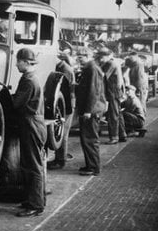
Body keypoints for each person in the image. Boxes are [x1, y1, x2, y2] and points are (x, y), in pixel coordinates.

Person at [12, 48, 47, 217]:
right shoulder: (31, 77)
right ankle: (32, 200)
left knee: (33, 166)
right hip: (33, 125)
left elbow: (17, 103)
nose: (16, 64)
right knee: (29, 165)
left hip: (31, 126)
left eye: (18, 61)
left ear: (26, 62)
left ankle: (35, 205)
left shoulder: (28, 80)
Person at [75, 47, 107, 176]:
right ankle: (90, 165)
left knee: (90, 139)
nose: (78, 59)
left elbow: (93, 91)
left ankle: (94, 167)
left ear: (88, 56)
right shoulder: (89, 68)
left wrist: (88, 110)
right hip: (90, 109)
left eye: (81, 57)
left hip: (92, 110)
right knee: (86, 138)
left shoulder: (92, 69)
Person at [48, 50, 76, 170]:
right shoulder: (63, 68)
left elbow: (67, 91)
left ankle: (60, 160)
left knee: (62, 133)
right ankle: (60, 158)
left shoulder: (65, 70)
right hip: (64, 104)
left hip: (67, 105)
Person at [96, 47, 126, 144]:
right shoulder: (114, 62)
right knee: (118, 113)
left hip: (113, 91)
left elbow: (101, 75)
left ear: (108, 56)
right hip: (116, 91)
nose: (101, 59)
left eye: (102, 57)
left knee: (112, 115)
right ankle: (122, 135)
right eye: (100, 57)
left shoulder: (110, 63)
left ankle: (114, 137)